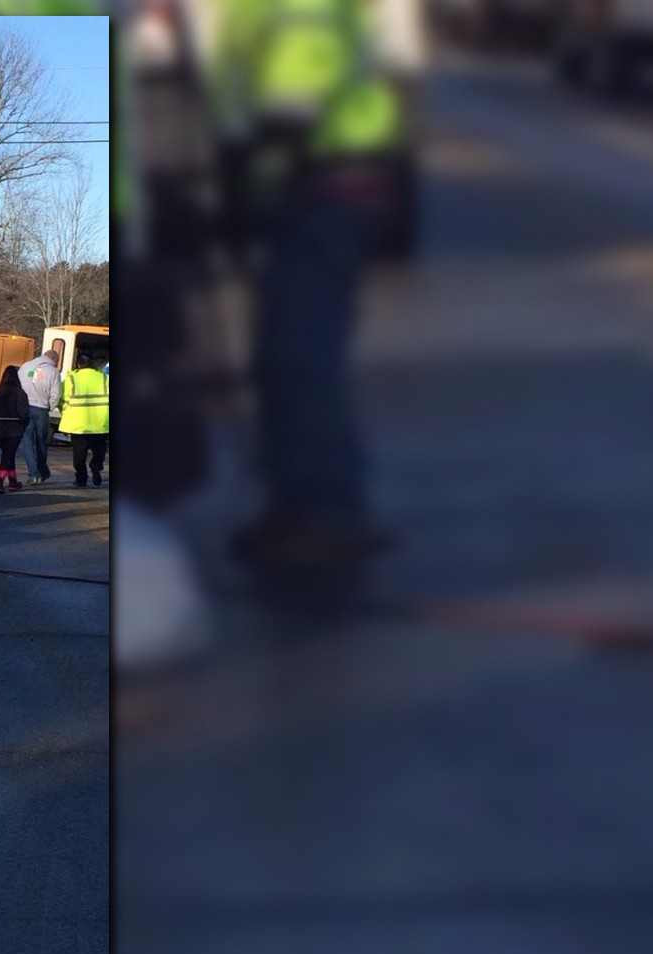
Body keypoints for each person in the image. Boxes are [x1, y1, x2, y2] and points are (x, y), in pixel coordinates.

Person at [210, 0, 404, 573]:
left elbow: (299, 69)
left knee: (301, 357)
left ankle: (324, 512)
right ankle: (299, 505)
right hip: (305, 183)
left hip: (319, 183)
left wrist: (255, 154)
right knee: (285, 358)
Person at [59, 350, 110, 487]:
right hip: (101, 423)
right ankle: (96, 466)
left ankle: (81, 478)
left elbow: (61, 399)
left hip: (77, 424)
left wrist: (65, 412)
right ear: (92, 364)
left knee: (79, 454)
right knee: (99, 450)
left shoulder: (70, 379)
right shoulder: (105, 378)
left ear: (78, 364)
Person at [16, 347, 62, 485]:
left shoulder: (25, 367)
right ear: (53, 359)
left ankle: (33, 474)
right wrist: (51, 406)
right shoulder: (53, 372)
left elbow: (18, 387)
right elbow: (56, 394)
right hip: (41, 409)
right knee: (41, 442)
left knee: (27, 441)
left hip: (24, 408)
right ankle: (42, 471)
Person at [0, 365, 30, 494]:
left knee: (8, 455)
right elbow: (23, 412)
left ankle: (13, 481)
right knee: (7, 455)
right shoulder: (19, 392)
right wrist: (24, 423)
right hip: (14, 428)